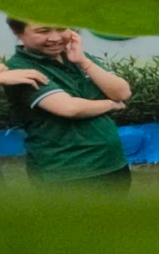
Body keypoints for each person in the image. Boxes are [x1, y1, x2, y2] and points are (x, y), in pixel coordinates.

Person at [4, 19, 132, 189]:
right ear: (18, 33)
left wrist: (83, 61)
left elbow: (122, 92)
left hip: (112, 163)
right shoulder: (19, 69)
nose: (55, 38)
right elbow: (69, 108)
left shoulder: (76, 58)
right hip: (66, 171)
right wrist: (111, 105)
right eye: (43, 31)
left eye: (61, 28)